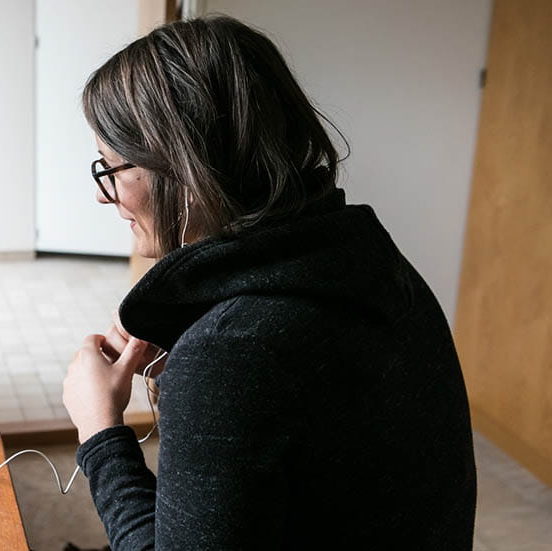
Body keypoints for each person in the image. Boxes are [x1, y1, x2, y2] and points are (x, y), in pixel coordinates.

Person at [61, 16, 476, 550]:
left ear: (183, 171)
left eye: (111, 168)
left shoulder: (232, 354)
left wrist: (100, 430)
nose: (103, 194)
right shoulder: (369, 261)